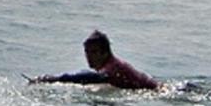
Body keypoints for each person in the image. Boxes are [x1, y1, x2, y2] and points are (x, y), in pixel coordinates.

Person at [27, 29, 160, 91]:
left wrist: (54, 79)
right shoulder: (112, 66)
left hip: (160, 93)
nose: (89, 57)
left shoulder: (113, 67)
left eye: (94, 52)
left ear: (105, 52)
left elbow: (90, 77)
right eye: (87, 52)